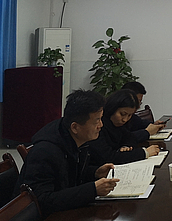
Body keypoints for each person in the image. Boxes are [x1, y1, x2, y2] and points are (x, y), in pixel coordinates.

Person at [14, 90, 119, 218]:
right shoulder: (45, 152)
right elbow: (41, 201)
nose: (101, 125)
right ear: (75, 127)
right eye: (96, 121)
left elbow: (67, 174)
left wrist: (95, 173)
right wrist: (92, 190)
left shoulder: (75, 138)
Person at [89, 89, 160, 166]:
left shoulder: (119, 124)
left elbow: (130, 138)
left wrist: (125, 146)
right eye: (122, 114)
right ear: (112, 108)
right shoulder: (98, 125)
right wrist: (144, 153)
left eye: (129, 115)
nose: (125, 119)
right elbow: (108, 157)